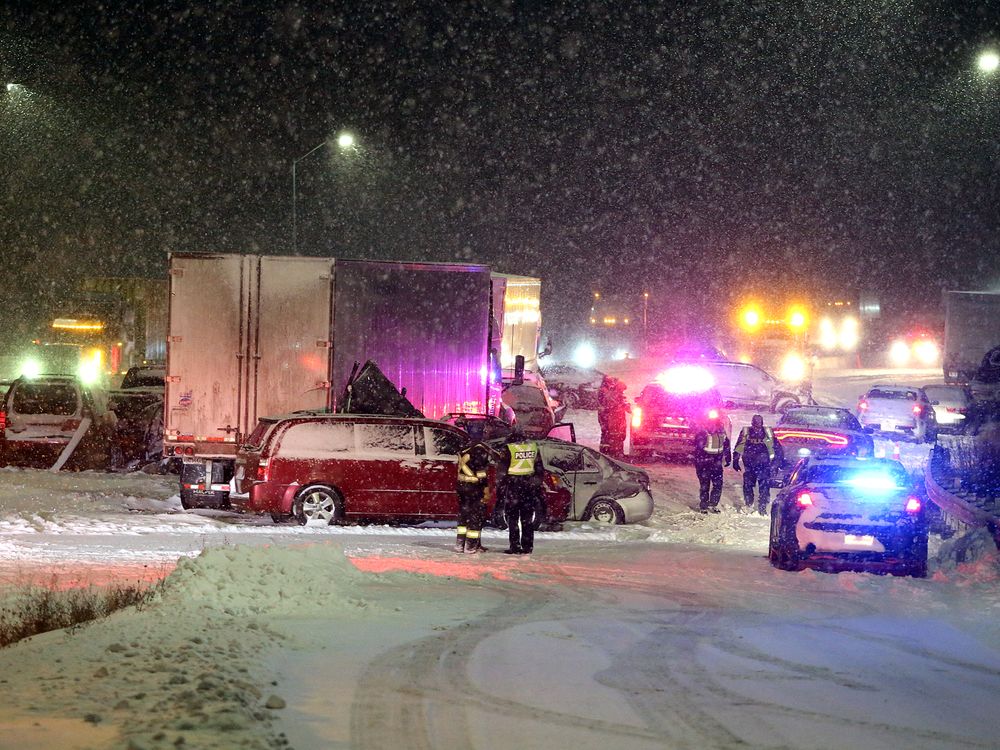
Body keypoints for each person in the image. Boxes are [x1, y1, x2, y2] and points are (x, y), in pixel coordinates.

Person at [498, 426, 545, 554]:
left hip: (514, 488)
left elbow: (502, 472)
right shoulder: (533, 447)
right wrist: (535, 484)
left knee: (512, 518)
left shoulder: (509, 449)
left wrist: (500, 488)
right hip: (528, 489)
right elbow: (540, 469)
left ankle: (515, 546)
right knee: (527, 519)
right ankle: (527, 546)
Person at [455, 440, 494, 554]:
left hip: (462, 487)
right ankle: (471, 546)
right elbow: (481, 473)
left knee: (463, 516)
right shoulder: (480, 451)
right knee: (475, 517)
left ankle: (460, 544)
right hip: (474, 488)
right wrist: (485, 488)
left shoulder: (464, 450)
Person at [732, 414, 776, 515]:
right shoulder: (746, 432)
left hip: (764, 464)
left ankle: (762, 507)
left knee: (764, 486)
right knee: (748, 485)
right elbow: (739, 445)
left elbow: (775, 447)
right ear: (752, 424)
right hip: (749, 464)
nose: (757, 428)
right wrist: (735, 459)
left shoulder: (768, 432)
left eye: (759, 425)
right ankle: (749, 504)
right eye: (756, 425)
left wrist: (776, 462)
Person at [693, 415, 731, 513]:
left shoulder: (702, 433)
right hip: (715, 463)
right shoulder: (721, 433)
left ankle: (705, 505)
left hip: (706, 463)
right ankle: (711, 504)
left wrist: (699, 461)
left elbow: (697, 448)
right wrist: (728, 458)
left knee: (705, 484)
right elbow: (726, 446)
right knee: (716, 484)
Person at [598, 376, 629, 458]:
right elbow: (610, 404)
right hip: (611, 419)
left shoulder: (612, 392)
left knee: (613, 436)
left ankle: (611, 453)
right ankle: (610, 453)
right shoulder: (607, 392)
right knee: (611, 436)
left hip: (612, 419)